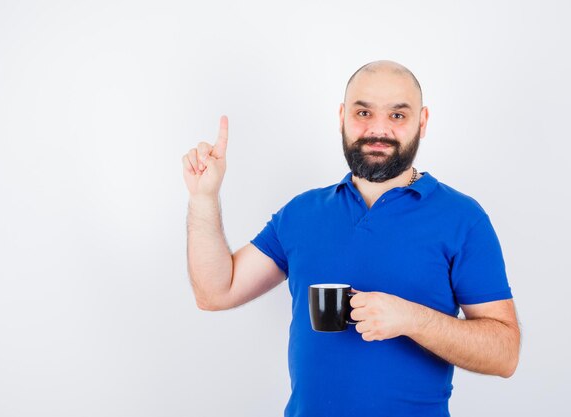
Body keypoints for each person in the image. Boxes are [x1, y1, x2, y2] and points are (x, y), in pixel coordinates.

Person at [181, 60, 521, 417]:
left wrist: (412, 319)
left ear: (422, 122)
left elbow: (505, 354)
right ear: (342, 116)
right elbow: (216, 292)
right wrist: (203, 198)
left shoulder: (463, 219)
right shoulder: (302, 212)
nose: (378, 129)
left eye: (397, 116)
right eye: (363, 112)